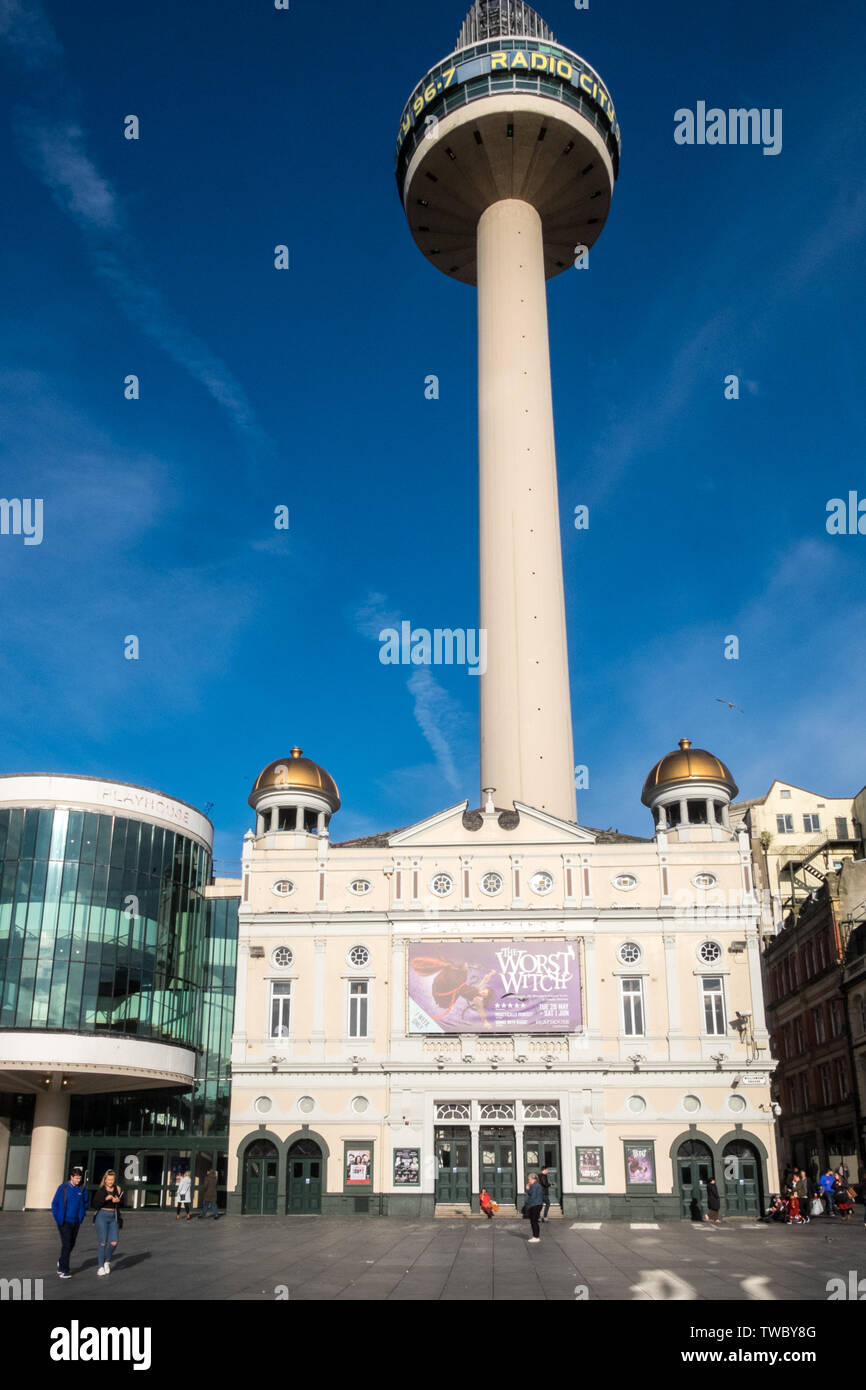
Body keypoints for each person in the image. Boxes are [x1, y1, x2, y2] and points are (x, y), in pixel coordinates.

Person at [51, 1167, 88, 1278]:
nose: (78, 1181)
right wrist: (58, 1217)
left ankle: (62, 1261)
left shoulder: (82, 1189)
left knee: (72, 1243)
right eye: (76, 1178)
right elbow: (55, 1203)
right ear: (71, 1177)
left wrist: (82, 1215)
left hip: (76, 1222)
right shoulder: (63, 1188)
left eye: (80, 1178)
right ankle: (63, 1270)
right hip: (64, 1221)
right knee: (66, 1245)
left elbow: (85, 1203)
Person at [92, 1170, 124, 1275]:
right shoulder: (101, 1190)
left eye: (112, 1180)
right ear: (105, 1180)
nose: (110, 1182)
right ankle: (100, 1267)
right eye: (108, 1179)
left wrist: (118, 1201)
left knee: (114, 1242)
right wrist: (105, 1199)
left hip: (113, 1216)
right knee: (103, 1242)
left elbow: (122, 1203)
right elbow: (95, 1204)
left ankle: (107, 1261)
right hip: (102, 1216)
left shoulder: (118, 1189)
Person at [524, 1172, 544, 1243]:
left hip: (535, 1205)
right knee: (534, 1221)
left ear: (532, 1179)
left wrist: (527, 1189)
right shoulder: (537, 1185)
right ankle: (536, 1236)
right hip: (537, 1204)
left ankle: (536, 1237)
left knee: (534, 1221)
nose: (528, 1180)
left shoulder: (534, 1186)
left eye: (529, 1179)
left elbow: (532, 1195)